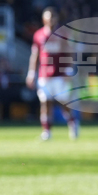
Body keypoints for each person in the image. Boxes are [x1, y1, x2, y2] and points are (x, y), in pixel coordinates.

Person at [26, 7, 79, 141]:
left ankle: (72, 121)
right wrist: (31, 73)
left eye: (53, 18)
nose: (51, 20)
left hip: (60, 74)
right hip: (44, 75)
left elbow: (70, 52)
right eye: (48, 18)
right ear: (43, 19)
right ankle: (47, 131)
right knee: (45, 103)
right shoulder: (39, 35)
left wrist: (68, 70)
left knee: (63, 103)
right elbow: (35, 55)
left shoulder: (63, 34)